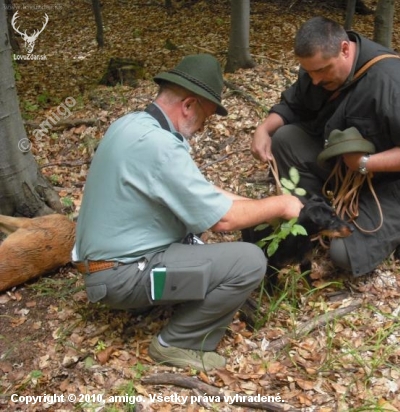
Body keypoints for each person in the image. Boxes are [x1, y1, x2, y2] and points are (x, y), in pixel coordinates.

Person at [72, 54, 303, 371]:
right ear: (189, 105)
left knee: (200, 242)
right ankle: (178, 342)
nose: (204, 126)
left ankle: (154, 305)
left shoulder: (132, 126)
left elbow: (202, 193)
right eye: (206, 116)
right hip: (121, 278)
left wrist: (258, 206)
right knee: (249, 262)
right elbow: (222, 220)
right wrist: (282, 205)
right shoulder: (162, 147)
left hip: (105, 270)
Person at [251, 17, 400, 277]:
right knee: (284, 138)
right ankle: (321, 216)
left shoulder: (396, 84)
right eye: (309, 72)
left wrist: (364, 163)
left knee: (344, 255)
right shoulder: (318, 68)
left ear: (345, 49)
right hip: (342, 164)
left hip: (391, 183)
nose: (314, 81)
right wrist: (264, 129)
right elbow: (293, 105)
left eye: (322, 71)